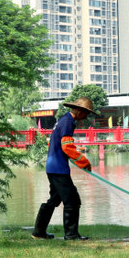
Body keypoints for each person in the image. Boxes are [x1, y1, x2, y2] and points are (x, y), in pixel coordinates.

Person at [32, 97, 97, 240]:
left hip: (53, 166)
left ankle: (39, 232)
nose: (86, 117)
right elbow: (66, 146)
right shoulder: (68, 122)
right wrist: (83, 161)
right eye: (86, 113)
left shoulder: (63, 120)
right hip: (58, 168)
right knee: (72, 200)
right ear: (80, 111)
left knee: (54, 200)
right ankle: (71, 235)